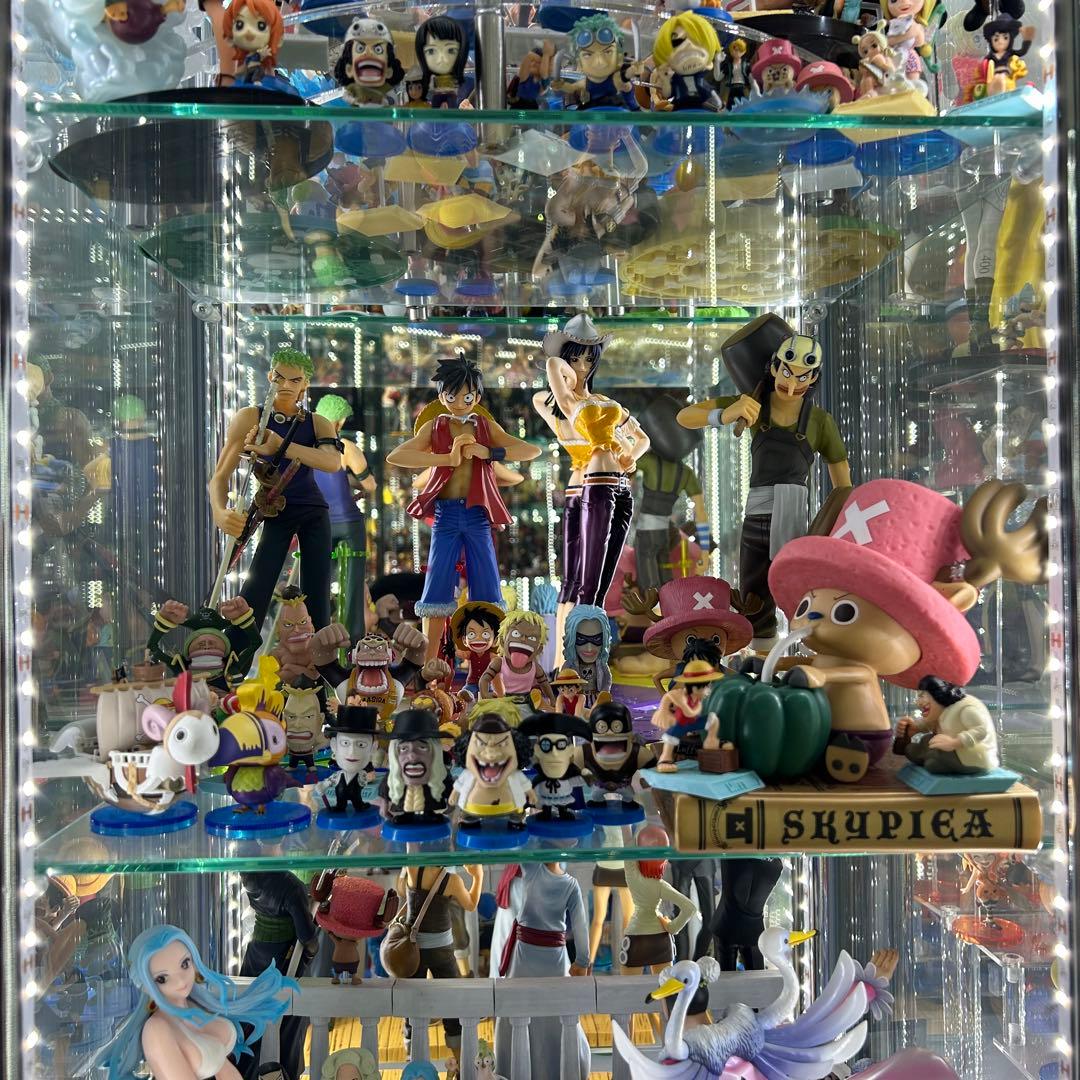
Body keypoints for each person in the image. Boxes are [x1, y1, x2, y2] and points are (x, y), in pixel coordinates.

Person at [386, 357, 540, 661]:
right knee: (436, 589)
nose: (458, 403)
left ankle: (491, 666)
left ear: (477, 397)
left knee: (488, 587)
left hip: (477, 515)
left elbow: (530, 450)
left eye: (467, 397)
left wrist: (489, 452)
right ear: (441, 396)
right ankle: (429, 663)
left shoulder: (485, 426)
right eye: (451, 396)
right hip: (445, 515)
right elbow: (397, 456)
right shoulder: (435, 427)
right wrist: (446, 458)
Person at [210, 348, 341, 636]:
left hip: (313, 511)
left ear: (305, 383)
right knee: (257, 585)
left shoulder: (317, 422)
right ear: (270, 376)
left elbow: (332, 462)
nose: (286, 386)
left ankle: (321, 657)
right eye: (280, 378)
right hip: (275, 508)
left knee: (318, 592)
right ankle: (237, 654)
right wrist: (219, 512)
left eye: (295, 380)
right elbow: (219, 477)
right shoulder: (250, 417)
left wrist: (280, 446)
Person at [93, 924, 294, 1079]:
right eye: (162, 978)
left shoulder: (195, 1005)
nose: (181, 981)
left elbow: (223, 1067)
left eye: (184, 964)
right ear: (146, 986)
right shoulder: (157, 1030)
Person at [494, 863, 591, 1080]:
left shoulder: (533, 867)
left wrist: (582, 961)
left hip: (525, 955)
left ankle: (514, 1068)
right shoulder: (571, 884)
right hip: (554, 958)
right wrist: (582, 961)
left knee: (520, 1007)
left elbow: (581, 926)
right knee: (553, 1013)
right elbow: (581, 927)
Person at [239, 874, 319, 1080]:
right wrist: (310, 953)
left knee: (250, 1022)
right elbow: (308, 938)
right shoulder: (290, 885)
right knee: (287, 1025)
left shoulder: (249, 875)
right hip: (284, 959)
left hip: (257, 954)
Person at [313, 395, 376, 640]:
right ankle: (352, 642)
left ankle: (317, 635)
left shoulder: (307, 448)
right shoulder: (347, 447)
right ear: (339, 422)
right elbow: (370, 485)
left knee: (316, 582)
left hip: (319, 523)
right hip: (349, 524)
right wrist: (349, 481)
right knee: (352, 587)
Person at [895, 675, 1000, 774]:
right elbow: (931, 723)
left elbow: (982, 730)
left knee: (933, 763)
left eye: (922, 696)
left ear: (937, 694)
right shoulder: (941, 709)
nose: (918, 702)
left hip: (973, 757)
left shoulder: (966, 709)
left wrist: (954, 742)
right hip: (951, 749)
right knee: (926, 740)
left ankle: (928, 756)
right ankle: (924, 754)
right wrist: (915, 727)